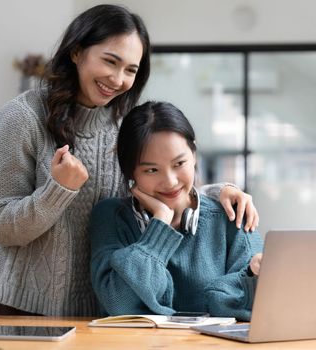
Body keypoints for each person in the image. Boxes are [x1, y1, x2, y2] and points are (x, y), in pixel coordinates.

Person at [0, 4, 259, 317]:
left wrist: (216, 191)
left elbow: (152, 183)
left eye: (131, 70)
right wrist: (57, 189)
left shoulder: (125, 124)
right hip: (32, 307)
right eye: (110, 61)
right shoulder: (20, 119)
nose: (118, 79)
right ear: (76, 52)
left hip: (110, 307)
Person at [90, 101, 264, 321]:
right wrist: (159, 227)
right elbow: (118, 303)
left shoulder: (232, 213)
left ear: (194, 154)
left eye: (179, 163)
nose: (170, 182)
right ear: (130, 171)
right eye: (152, 170)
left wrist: (251, 277)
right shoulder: (111, 217)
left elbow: (247, 305)